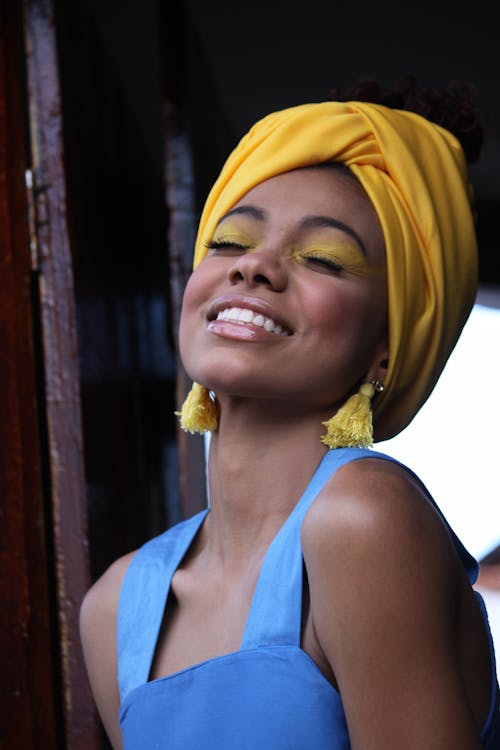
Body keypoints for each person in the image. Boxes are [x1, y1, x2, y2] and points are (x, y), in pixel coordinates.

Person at [80, 79, 500, 749]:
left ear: (386, 351)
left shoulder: (364, 518)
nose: (254, 268)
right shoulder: (115, 606)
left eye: (322, 258)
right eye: (227, 243)